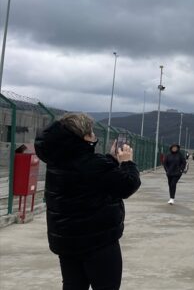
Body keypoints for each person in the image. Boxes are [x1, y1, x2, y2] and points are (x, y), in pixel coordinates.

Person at [34, 113, 141, 289]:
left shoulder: (57, 160)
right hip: (98, 242)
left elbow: (89, 176)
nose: (94, 136)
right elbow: (127, 185)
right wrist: (127, 163)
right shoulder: (93, 165)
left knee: (73, 285)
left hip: (66, 240)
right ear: (83, 137)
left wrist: (112, 159)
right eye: (91, 132)